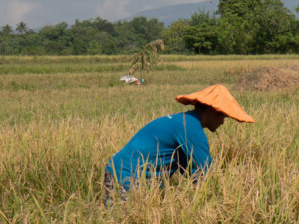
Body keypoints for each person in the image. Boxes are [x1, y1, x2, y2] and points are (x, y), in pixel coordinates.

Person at [103, 84, 254, 196]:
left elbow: (189, 169)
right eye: (223, 116)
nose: (223, 122)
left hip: (117, 171)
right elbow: (204, 175)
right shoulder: (191, 129)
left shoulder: (184, 121)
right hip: (126, 179)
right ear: (212, 111)